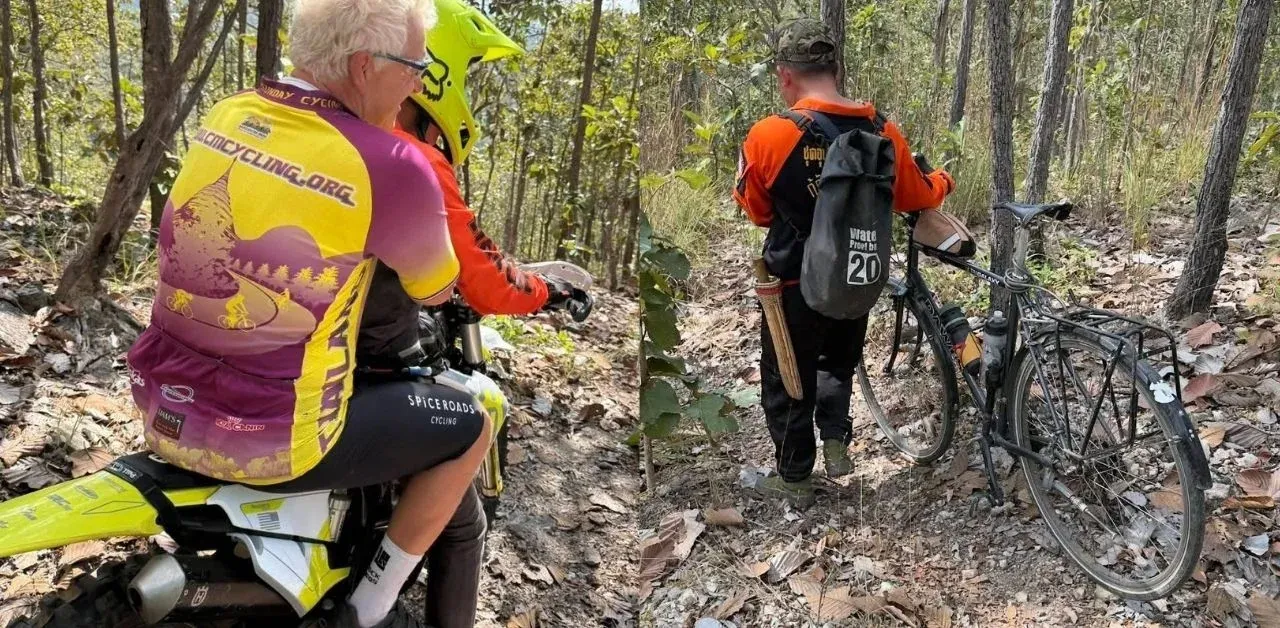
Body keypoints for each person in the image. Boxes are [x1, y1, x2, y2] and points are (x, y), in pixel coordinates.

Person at [124, 0, 493, 626]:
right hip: (276, 440)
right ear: (362, 66)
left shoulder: (230, 113)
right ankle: (370, 608)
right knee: (472, 427)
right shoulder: (392, 164)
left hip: (159, 405)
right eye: (415, 67)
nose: (418, 83)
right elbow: (435, 290)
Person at [354, 3, 586, 625]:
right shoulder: (414, 160)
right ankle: (369, 607)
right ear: (435, 75)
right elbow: (482, 281)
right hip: (364, 372)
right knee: (465, 513)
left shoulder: (327, 134)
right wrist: (544, 292)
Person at [733, 18, 956, 508]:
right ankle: (835, 442)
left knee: (788, 372)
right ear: (836, 69)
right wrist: (942, 180)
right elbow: (915, 195)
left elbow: (756, 211)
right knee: (839, 358)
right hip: (859, 270)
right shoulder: (882, 131)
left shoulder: (770, 135)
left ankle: (795, 478)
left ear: (785, 76)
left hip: (793, 278)